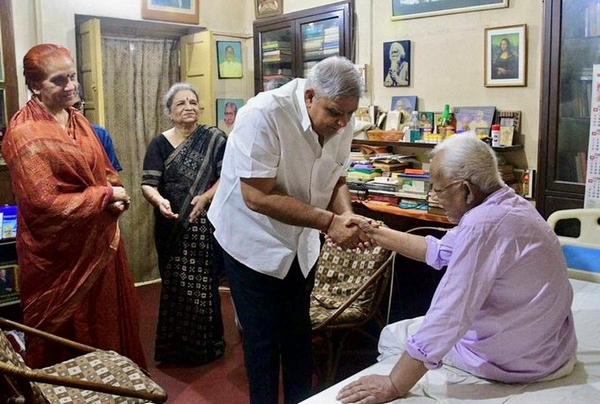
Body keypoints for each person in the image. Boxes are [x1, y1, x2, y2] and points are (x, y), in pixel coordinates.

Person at [337, 132, 577, 403]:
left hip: (520, 362)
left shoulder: (484, 225)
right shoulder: (508, 203)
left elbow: (450, 313)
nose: (435, 197)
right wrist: (376, 232)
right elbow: (441, 251)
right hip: (550, 350)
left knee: (392, 335)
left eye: (438, 189)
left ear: (465, 189)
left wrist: (394, 384)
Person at [207, 56, 371, 404]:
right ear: (310, 96)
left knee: (298, 338)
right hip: (252, 241)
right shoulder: (263, 114)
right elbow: (256, 196)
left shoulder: (342, 118)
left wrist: (347, 217)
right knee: (263, 342)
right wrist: (329, 222)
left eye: (349, 114)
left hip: (300, 243)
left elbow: (336, 177)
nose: (343, 123)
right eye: (334, 113)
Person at [1, 44, 146, 369]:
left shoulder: (78, 120)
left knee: (107, 325)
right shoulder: (23, 133)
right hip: (58, 258)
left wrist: (117, 192)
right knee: (69, 335)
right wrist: (107, 197)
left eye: (72, 77)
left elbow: (106, 172)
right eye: (59, 81)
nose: (70, 86)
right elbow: (44, 203)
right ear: (36, 86)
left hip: (101, 244)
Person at [141, 82, 227, 365]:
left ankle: (208, 346)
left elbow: (228, 177)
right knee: (175, 285)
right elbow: (148, 184)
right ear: (169, 111)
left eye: (193, 101)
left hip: (203, 224)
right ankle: (175, 349)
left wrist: (204, 198)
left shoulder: (213, 138)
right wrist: (158, 201)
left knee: (205, 284)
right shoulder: (159, 143)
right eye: (181, 103)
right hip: (170, 225)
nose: (189, 107)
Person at [73, 98, 123, 171]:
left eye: (77, 106)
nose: (72, 111)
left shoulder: (100, 134)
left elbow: (112, 173)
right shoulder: (52, 137)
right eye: (64, 108)